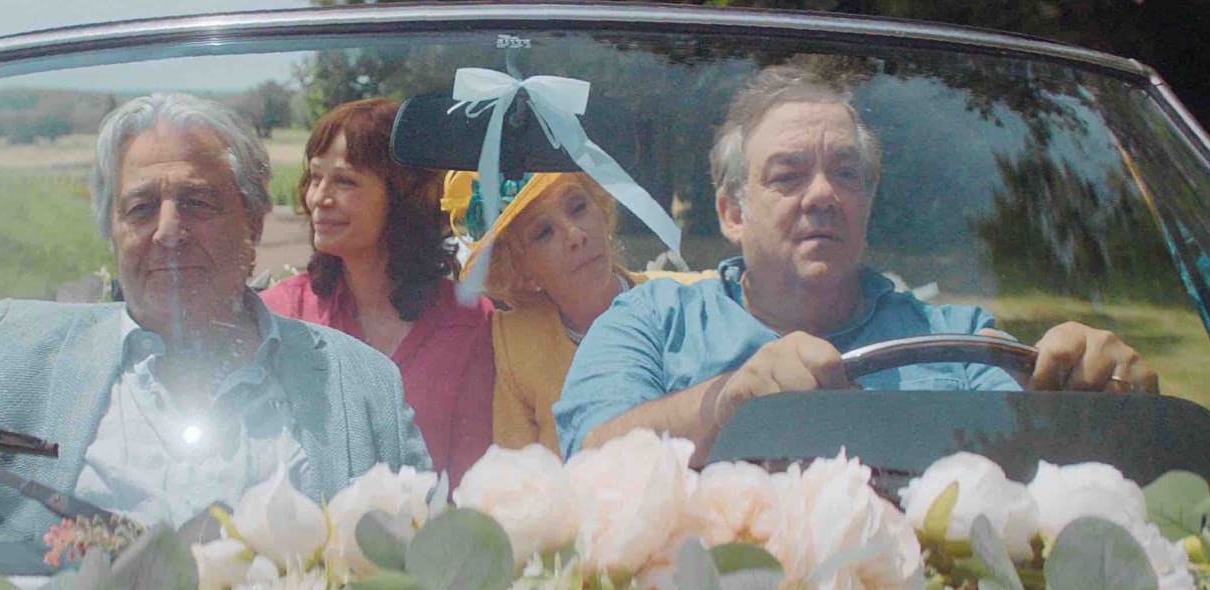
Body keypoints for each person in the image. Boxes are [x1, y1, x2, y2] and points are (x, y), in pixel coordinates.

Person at [0, 93, 431, 539]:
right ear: (111, 231)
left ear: (254, 222)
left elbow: (428, 564)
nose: (169, 232)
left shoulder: (362, 384)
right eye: (141, 208)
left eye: (197, 202)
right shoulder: (10, 348)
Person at [553, 63, 1160, 466]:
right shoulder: (650, 320)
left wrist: (1099, 406)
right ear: (732, 213)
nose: (823, 194)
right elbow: (588, 459)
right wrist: (727, 403)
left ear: (867, 201)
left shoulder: (959, 341)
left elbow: (1032, 460)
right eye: (788, 176)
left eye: (846, 173)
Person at [261, 98, 494, 482]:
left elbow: (474, 484)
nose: (319, 198)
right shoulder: (279, 316)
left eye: (345, 181)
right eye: (315, 178)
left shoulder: (473, 326)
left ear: (403, 197)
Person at [439, 171, 711, 454]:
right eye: (544, 232)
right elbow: (515, 469)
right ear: (520, 270)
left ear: (600, 209)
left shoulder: (693, 299)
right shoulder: (515, 343)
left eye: (578, 207)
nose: (576, 235)